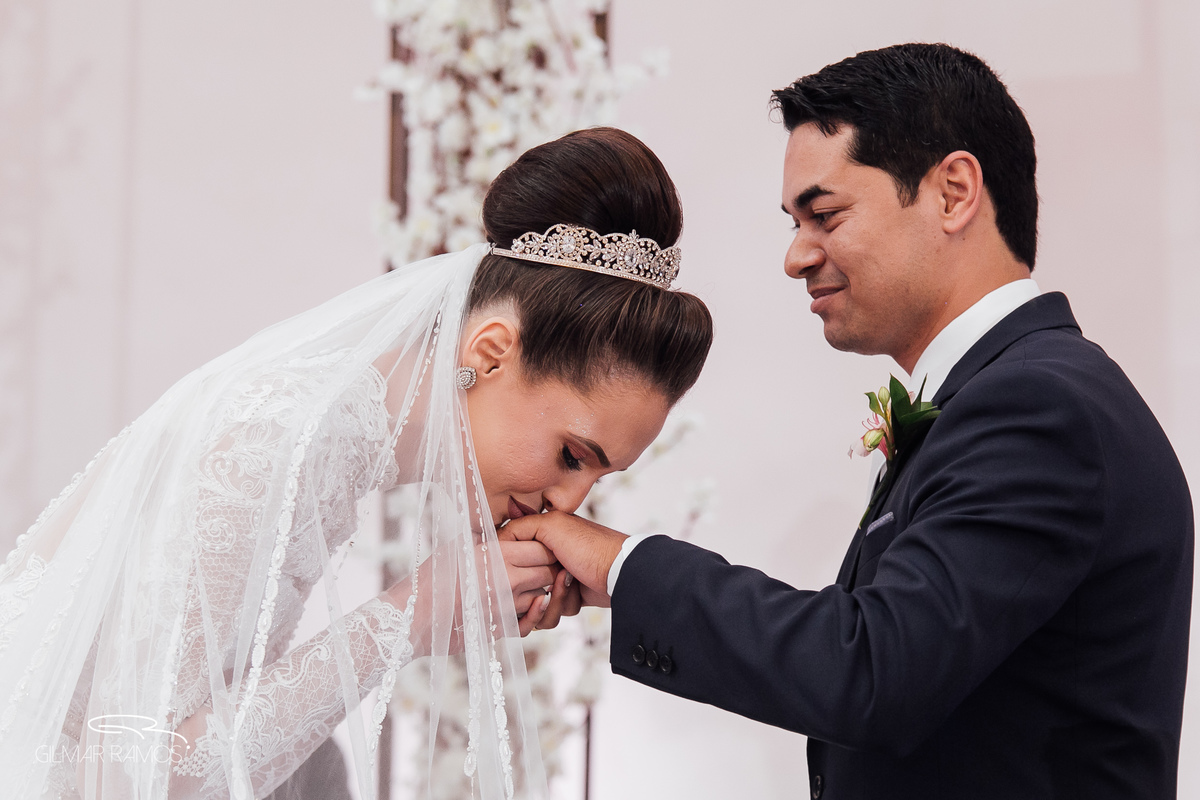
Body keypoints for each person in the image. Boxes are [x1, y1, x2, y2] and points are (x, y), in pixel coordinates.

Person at [507, 44, 1194, 798]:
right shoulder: (1003, 395)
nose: (797, 256)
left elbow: (871, 671)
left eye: (824, 214)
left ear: (953, 192)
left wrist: (620, 564)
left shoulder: (1041, 407)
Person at [0, 127, 712, 800]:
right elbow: (132, 776)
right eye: (570, 455)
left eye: (598, 477)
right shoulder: (280, 438)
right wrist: (414, 613)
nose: (570, 501)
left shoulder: (330, 426)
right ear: (490, 352)